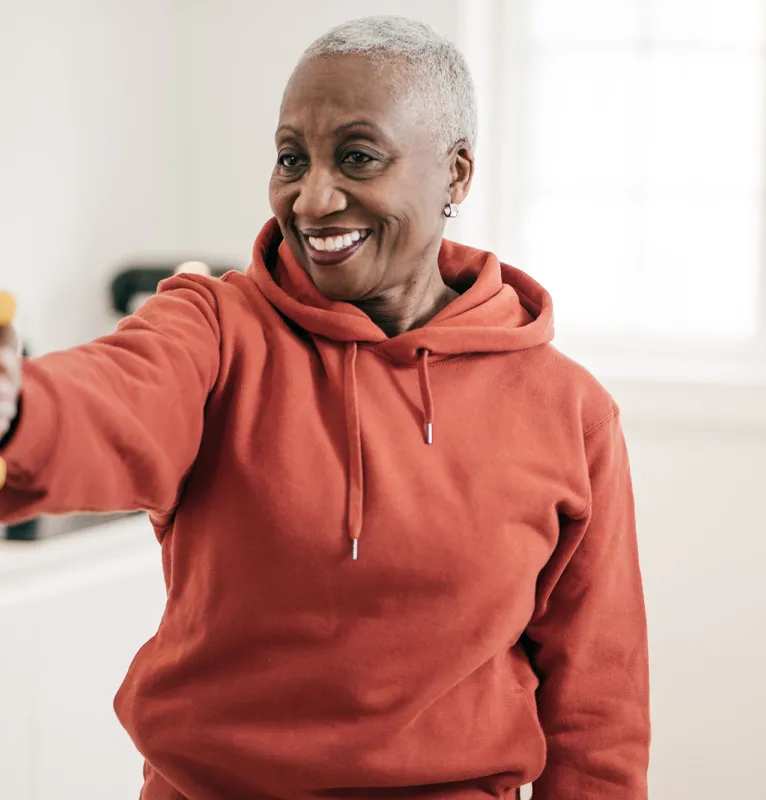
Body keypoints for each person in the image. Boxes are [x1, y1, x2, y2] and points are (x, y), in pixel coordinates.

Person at [0, 15, 649, 800]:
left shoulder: (569, 411)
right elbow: (115, 398)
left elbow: (597, 713)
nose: (312, 197)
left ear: (456, 174)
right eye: (289, 159)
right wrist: (18, 408)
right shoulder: (214, 327)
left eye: (356, 157)